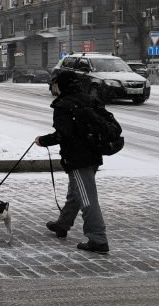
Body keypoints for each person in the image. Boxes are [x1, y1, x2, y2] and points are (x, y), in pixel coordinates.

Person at [34, 68, 110, 254]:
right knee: (76, 191)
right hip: (93, 155)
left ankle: (98, 239)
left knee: (86, 197)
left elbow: (63, 134)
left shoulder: (64, 105)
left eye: (55, 84)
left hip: (78, 158)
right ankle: (63, 224)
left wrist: (42, 140)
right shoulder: (88, 100)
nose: (53, 88)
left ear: (61, 85)